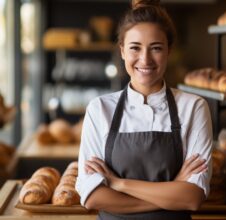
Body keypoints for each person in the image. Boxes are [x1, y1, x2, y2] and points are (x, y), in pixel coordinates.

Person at [76, 0, 213, 219]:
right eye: (135, 48)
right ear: (122, 51)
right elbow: (93, 197)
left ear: (169, 50)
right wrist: (173, 189)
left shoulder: (193, 107)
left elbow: (192, 198)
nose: (145, 59)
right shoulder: (99, 109)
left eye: (156, 48)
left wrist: (118, 183)